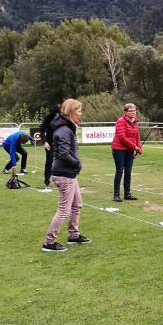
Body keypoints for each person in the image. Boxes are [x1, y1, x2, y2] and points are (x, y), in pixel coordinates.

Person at [42, 98, 90, 252]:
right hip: (64, 174)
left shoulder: (67, 127)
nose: (81, 114)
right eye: (79, 110)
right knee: (64, 210)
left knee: (77, 205)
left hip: (70, 173)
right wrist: (77, 163)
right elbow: (63, 153)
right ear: (71, 111)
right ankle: (49, 242)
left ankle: (74, 235)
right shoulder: (63, 130)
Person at [110, 102, 142, 202]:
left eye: (134, 111)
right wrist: (135, 147)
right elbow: (122, 138)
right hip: (119, 149)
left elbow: (137, 136)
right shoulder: (121, 121)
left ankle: (127, 194)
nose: (133, 112)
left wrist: (139, 147)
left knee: (128, 172)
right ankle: (116, 195)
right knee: (120, 171)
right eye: (131, 111)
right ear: (126, 112)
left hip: (129, 150)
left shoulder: (135, 122)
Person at [39, 104, 61, 192]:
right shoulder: (48, 118)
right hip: (49, 143)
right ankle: (47, 182)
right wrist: (45, 142)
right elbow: (41, 130)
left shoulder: (63, 118)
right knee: (49, 161)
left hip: (60, 142)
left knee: (62, 161)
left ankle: (62, 180)